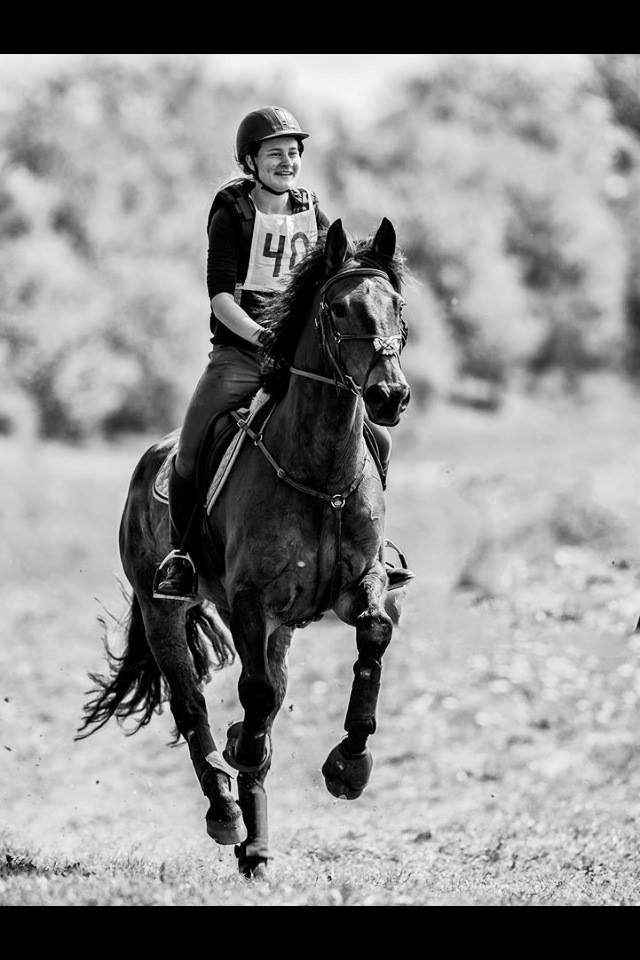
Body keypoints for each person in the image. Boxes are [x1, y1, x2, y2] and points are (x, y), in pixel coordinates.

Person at [153, 106, 414, 601]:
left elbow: (331, 279)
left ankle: (370, 549)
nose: (287, 162)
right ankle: (183, 557)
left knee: (377, 440)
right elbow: (220, 298)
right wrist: (262, 338)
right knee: (191, 445)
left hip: (303, 362)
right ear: (250, 161)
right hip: (242, 353)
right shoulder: (230, 210)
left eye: (293, 153)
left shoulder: (309, 208)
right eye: (275, 154)